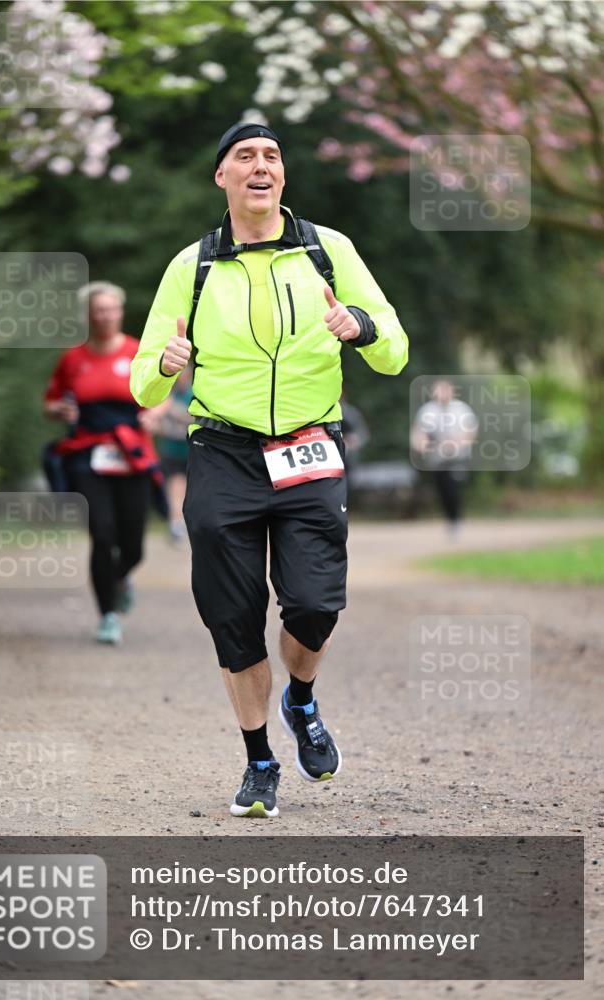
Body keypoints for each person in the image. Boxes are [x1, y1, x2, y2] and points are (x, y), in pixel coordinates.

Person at [131, 123, 408, 817]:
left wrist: (361, 330)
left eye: (272, 157)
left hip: (310, 450)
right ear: (221, 178)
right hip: (222, 453)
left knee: (315, 605)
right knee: (233, 616)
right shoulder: (191, 266)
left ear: (282, 177)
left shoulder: (327, 251)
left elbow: (395, 351)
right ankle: (259, 763)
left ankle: (301, 700)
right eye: (245, 157)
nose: (261, 166)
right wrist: (162, 368)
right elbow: (141, 383)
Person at [45, 281, 164, 645]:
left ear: (121, 312)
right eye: (100, 310)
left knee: (133, 545)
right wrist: (59, 409)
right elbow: (50, 402)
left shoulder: (136, 351)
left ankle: (119, 577)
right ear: (88, 315)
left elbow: (160, 396)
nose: (107, 316)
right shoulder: (73, 359)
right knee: (102, 534)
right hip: (88, 453)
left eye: (113, 309)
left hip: (131, 451)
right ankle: (108, 615)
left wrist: (154, 416)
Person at [411, 379, 478, 535]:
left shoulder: (461, 409)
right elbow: (419, 433)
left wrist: (455, 444)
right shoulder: (427, 411)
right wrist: (421, 445)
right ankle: (451, 518)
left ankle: (455, 519)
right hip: (437, 459)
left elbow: (470, 431)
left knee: (452, 486)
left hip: (457, 457)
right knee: (442, 489)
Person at [153, 366, 193, 543]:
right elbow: (158, 422)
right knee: (175, 487)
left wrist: (175, 412)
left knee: (189, 489)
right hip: (172, 449)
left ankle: (185, 523)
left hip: (192, 449)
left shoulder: (196, 394)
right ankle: (176, 524)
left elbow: (195, 419)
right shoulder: (170, 394)